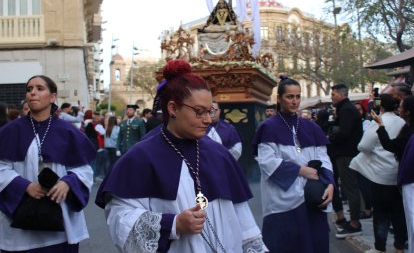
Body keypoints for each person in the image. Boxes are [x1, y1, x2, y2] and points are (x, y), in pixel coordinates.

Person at [96, 59, 267, 253]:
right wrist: (174, 224)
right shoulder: (140, 157)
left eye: (209, 111)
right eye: (199, 112)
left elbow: (243, 219)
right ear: (173, 108)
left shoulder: (219, 154)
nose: (208, 120)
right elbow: (120, 218)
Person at [0, 75, 95, 252]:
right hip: (20, 228)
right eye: (29, 89)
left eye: (39, 88)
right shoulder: (11, 131)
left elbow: (84, 170)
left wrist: (68, 182)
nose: (33, 93)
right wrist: (25, 186)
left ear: (52, 97)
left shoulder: (67, 131)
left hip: (60, 226)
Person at [253, 76, 334, 253]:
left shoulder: (311, 127)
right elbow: (267, 162)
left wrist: (330, 183)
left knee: (314, 243)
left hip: (312, 196)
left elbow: (323, 157)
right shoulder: (268, 127)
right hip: (283, 199)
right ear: (279, 98)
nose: (295, 101)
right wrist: (300, 170)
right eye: (290, 97)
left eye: (298, 96)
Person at [350, 94, 407, 253]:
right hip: (399, 175)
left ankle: (380, 248)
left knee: (381, 214)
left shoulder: (377, 123)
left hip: (380, 175)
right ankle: (399, 247)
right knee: (398, 214)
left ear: (380, 106)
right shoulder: (403, 123)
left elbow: (363, 146)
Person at [371, 95, 414, 252]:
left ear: (408, 112)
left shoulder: (409, 132)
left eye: (401, 106)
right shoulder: (405, 126)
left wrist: (380, 125)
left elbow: (389, 145)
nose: (399, 108)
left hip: (409, 180)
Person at [329, 84, 364, 238]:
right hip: (345, 154)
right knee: (349, 187)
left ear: (341, 94)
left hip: (346, 154)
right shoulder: (345, 109)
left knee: (350, 188)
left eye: (333, 94)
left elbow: (344, 133)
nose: (332, 97)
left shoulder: (347, 110)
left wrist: (331, 137)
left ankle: (355, 223)